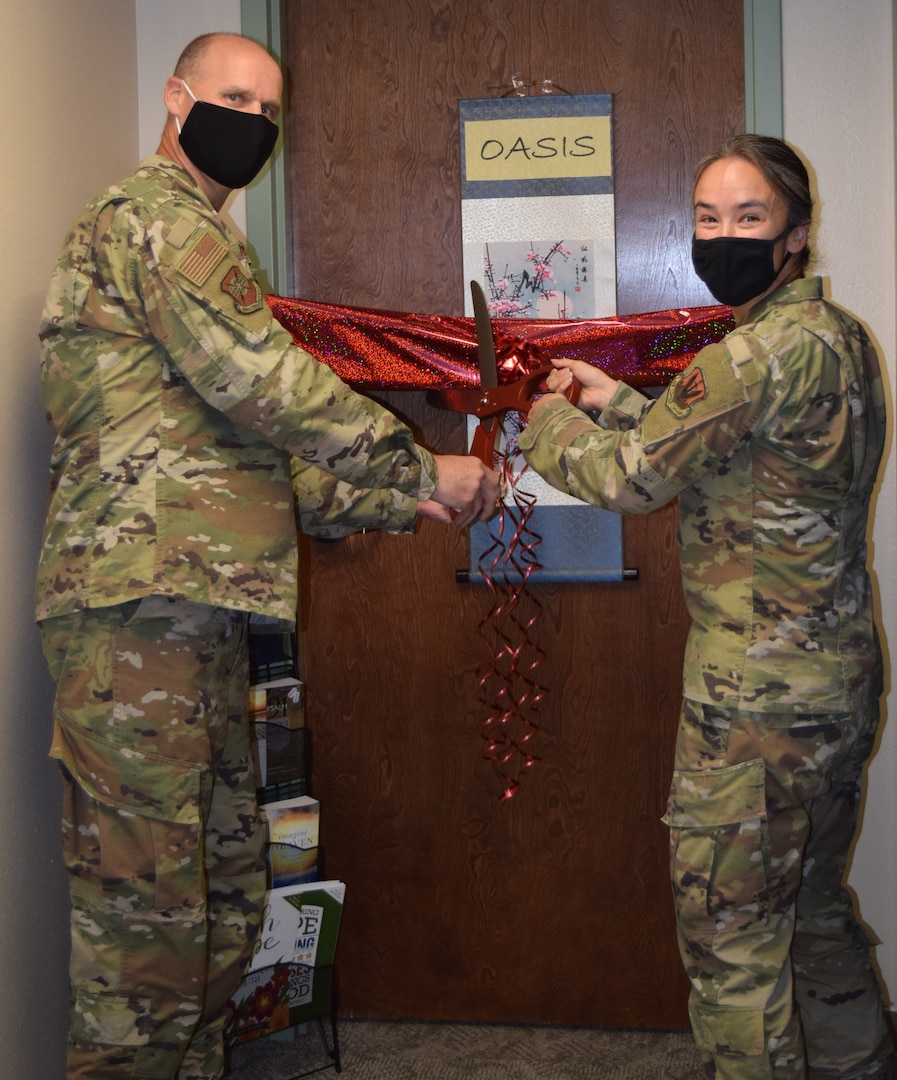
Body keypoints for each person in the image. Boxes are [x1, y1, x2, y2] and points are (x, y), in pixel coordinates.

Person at [37, 31, 498, 1080]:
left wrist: (402, 502)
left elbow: (241, 460)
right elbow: (266, 387)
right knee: (147, 942)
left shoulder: (202, 241)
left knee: (217, 902)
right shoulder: (158, 223)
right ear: (176, 95)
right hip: (136, 619)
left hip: (188, 615)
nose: (254, 122)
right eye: (235, 97)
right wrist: (422, 467)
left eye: (270, 110)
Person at [519, 134, 894, 1079]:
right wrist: (617, 398)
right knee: (808, 914)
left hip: (752, 709)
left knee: (734, 947)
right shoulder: (839, 338)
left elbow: (634, 480)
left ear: (794, 237)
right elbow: (732, 450)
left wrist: (546, 418)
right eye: (706, 218)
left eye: (749, 218)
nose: (721, 235)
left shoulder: (750, 355)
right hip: (835, 685)